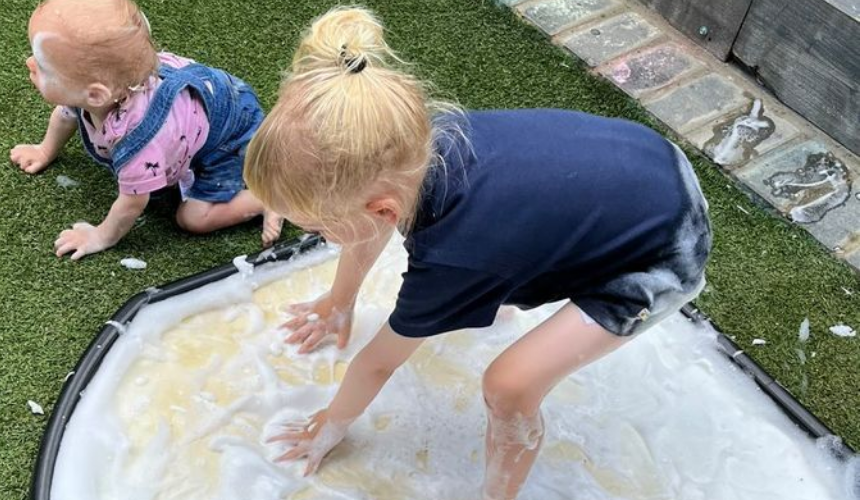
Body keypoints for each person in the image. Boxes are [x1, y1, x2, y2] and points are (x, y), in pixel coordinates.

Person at [244, 7, 711, 499]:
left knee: (509, 386)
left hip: (665, 248)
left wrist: (331, 425)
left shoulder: (452, 253)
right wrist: (340, 301)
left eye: (318, 227)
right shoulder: (408, 144)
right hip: (643, 164)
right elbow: (370, 225)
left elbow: (379, 362)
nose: (316, 234)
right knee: (505, 248)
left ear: (381, 209)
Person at [11, 0, 283, 260]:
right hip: (209, 99)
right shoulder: (99, 92)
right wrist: (44, 150)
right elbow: (65, 114)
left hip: (231, 135)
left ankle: (266, 199)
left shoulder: (140, 144)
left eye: (43, 66)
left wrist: (100, 237)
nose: (29, 63)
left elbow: (133, 202)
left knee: (192, 218)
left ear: (95, 95)